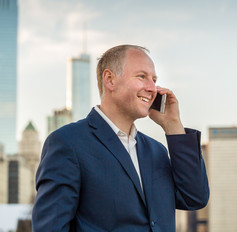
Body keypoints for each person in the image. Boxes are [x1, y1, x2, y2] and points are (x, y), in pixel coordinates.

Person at [32, 45, 209, 232]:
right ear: (110, 80)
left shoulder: (156, 151)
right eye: (142, 76)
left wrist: (173, 125)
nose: (152, 88)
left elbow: (194, 198)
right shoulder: (68, 143)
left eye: (154, 79)